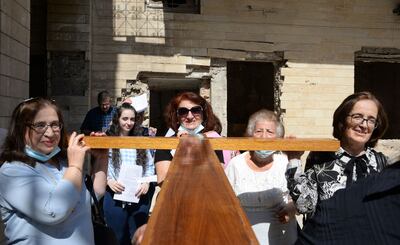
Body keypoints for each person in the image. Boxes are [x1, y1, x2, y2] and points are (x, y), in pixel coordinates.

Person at [0, 97, 107, 244]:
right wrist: (75, 165)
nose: (50, 133)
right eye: (40, 125)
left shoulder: (63, 163)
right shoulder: (11, 171)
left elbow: (94, 195)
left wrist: (101, 159)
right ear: (21, 130)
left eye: (55, 125)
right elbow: (55, 211)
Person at [286, 91, 389, 218]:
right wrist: (294, 160)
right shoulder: (321, 157)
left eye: (371, 120)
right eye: (357, 116)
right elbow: (305, 205)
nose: (364, 125)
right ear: (342, 121)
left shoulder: (382, 163)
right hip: (326, 236)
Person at [225, 109, 297, 245]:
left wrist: (291, 209)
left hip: (281, 238)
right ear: (251, 135)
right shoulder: (236, 164)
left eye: (270, 132)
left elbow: (299, 197)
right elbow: (224, 199)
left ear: (278, 138)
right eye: (259, 131)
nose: (264, 136)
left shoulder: (285, 162)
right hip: (243, 237)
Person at [296, 158, 400, 245]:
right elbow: (303, 205)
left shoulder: (381, 160)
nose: (363, 131)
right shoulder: (321, 160)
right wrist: (294, 160)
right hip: (332, 237)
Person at [104, 103, 155, 245]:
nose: (129, 123)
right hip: (114, 195)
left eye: (132, 119)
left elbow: (150, 167)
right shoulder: (107, 140)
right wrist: (108, 180)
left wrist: (146, 182)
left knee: (139, 238)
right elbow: (101, 166)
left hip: (138, 195)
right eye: (125, 118)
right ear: (117, 119)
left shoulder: (141, 140)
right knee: (117, 237)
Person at [154, 92, 224, 184]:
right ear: (176, 116)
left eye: (196, 110)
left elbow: (219, 177)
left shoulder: (211, 142)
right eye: (183, 111)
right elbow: (163, 181)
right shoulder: (166, 143)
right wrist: (184, 150)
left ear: (204, 114)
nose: (190, 116)